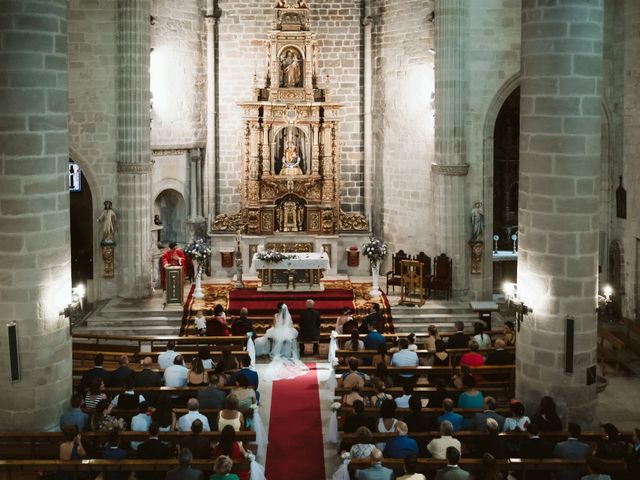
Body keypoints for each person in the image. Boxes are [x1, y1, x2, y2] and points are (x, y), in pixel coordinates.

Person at [262, 303, 306, 381]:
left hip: (278, 331)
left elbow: (275, 325)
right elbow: (290, 325)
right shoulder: (288, 316)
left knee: (271, 333)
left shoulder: (276, 315)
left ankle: (276, 350)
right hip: (287, 331)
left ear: (278, 309)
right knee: (290, 336)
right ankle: (288, 353)